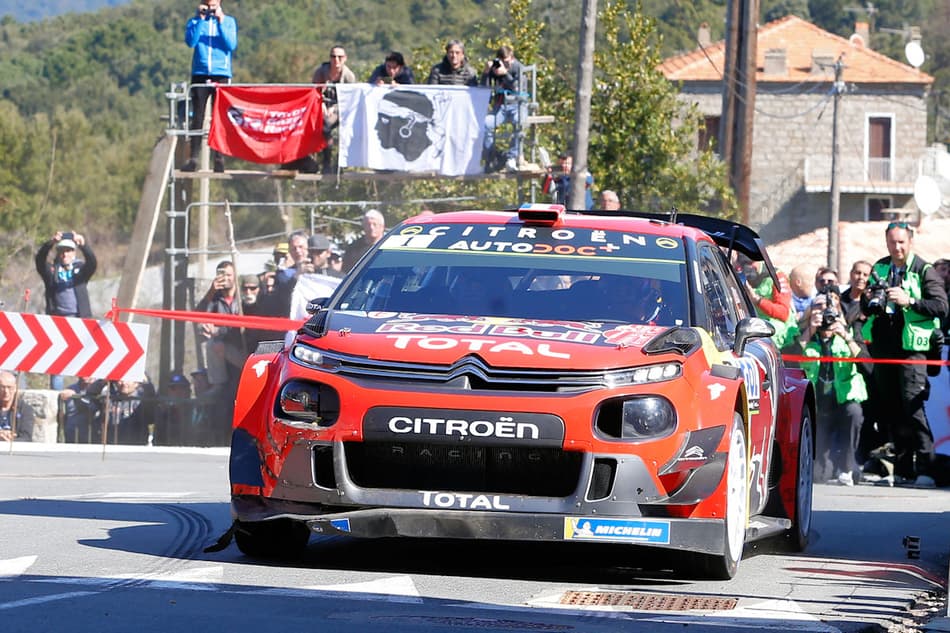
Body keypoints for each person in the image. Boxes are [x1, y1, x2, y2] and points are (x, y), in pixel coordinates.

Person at [860, 222, 948, 487]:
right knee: (892, 411)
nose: (896, 248)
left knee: (913, 408)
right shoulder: (880, 267)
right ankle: (902, 468)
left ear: (910, 241)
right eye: (892, 242)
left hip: (912, 352)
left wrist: (909, 301)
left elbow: (941, 306)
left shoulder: (924, 270)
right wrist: (869, 298)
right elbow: (867, 306)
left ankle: (926, 468)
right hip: (885, 349)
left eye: (901, 242)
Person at [797, 273, 870, 486]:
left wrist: (846, 336)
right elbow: (789, 360)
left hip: (843, 402)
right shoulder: (804, 334)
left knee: (854, 412)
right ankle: (826, 464)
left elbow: (868, 366)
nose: (826, 313)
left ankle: (847, 466)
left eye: (831, 309)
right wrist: (809, 331)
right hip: (819, 407)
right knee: (819, 475)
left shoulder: (849, 332)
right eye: (820, 307)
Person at [35, 231, 98, 390]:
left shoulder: (80, 270)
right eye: (62, 250)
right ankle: (57, 398)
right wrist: (50, 243)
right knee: (57, 363)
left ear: (73, 253)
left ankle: (86, 395)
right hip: (58, 321)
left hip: (80, 319)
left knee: (84, 360)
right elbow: (39, 260)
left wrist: (83, 245)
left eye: (68, 251)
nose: (65, 254)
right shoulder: (51, 271)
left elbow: (92, 263)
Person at [181, 0, 238, 173]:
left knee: (219, 116)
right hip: (200, 72)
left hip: (221, 74)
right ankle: (194, 158)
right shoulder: (194, 21)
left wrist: (220, 20)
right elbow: (191, 42)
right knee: (197, 117)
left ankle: (219, 158)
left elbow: (231, 44)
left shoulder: (228, 21)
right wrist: (200, 20)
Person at [195, 260, 244, 435]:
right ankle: (217, 383)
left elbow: (240, 326)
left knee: (215, 343)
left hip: (243, 351)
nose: (225, 279)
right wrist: (211, 291)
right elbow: (198, 314)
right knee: (212, 343)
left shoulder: (243, 295)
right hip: (224, 353)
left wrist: (218, 330)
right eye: (222, 275)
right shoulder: (215, 298)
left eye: (229, 275)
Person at [310, 45, 357, 174]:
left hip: (341, 110)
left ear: (345, 58)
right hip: (321, 107)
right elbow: (313, 92)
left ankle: (336, 164)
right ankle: (321, 162)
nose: (336, 60)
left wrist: (335, 108)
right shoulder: (321, 72)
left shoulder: (349, 77)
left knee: (328, 126)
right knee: (321, 125)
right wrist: (321, 104)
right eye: (333, 56)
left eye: (340, 57)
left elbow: (350, 99)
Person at [735, 251, 796, 349]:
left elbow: (783, 313)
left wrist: (758, 300)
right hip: (751, 326)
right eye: (743, 264)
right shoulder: (738, 275)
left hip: (780, 335)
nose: (748, 268)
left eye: (750, 263)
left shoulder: (775, 276)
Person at [480, 45, 523, 172]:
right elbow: (484, 87)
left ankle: (511, 157)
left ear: (512, 58)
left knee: (519, 122)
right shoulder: (496, 68)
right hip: (500, 107)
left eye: (506, 61)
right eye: (501, 61)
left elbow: (517, 89)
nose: (503, 64)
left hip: (517, 105)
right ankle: (492, 155)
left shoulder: (518, 68)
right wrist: (486, 72)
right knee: (485, 124)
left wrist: (506, 74)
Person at [342, 209, 386, 273]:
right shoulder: (353, 249)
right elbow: (346, 271)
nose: (371, 228)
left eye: (375, 224)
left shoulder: (390, 246)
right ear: (364, 226)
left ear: (382, 227)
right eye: (368, 224)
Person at [61, 376, 101, 443]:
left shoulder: (99, 390)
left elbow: (91, 410)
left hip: (91, 434)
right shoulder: (70, 389)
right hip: (71, 433)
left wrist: (76, 397)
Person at [0, 370, 33, 442]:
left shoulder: (25, 409)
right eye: (2, 387)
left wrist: (9, 439)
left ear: (15, 388)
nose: (6, 391)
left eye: (9, 387)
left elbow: (26, 437)